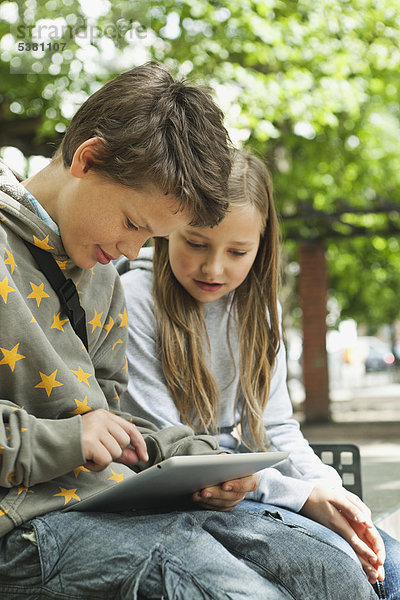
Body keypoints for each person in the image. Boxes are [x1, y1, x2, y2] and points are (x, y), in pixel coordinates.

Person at [0, 62, 377, 599]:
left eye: (152, 236)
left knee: (334, 575)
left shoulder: (101, 276)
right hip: (23, 527)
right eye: (133, 223)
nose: (133, 253)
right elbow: (82, 434)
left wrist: (201, 461)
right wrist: (64, 439)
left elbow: (117, 426)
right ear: (89, 157)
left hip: (114, 505)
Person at [121, 149, 400, 599]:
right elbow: (171, 450)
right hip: (181, 497)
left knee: (392, 569)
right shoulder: (134, 299)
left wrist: (332, 494)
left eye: (237, 251)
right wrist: (301, 497)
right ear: (168, 230)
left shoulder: (260, 310)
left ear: (262, 245)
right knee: (339, 576)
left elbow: (276, 428)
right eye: (195, 243)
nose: (214, 268)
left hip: (251, 484)